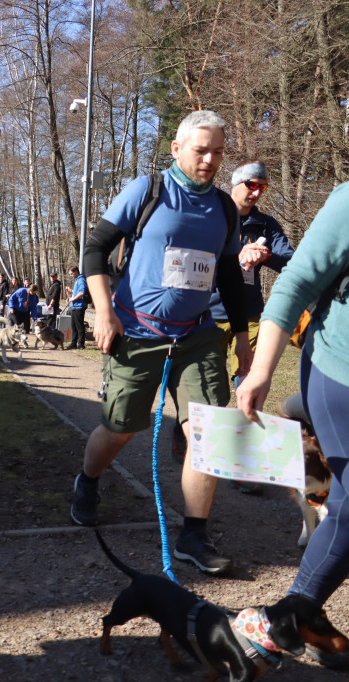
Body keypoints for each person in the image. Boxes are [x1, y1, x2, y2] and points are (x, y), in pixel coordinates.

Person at [69, 110, 249, 576]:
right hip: (137, 331)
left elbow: (229, 276)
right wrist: (104, 311)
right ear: (177, 149)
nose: (210, 160)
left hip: (197, 336)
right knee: (122, 427)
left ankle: (193, 535)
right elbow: (95, 248)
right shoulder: (147, 190)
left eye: (218, 152)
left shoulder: (225, 208)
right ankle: (87, 481)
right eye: (200, 150)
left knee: (205, 433)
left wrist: (244, 341)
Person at [236, 182, 349, 658]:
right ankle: (278, 623)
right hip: (339, 371)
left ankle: (309, 618)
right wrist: (259, 370)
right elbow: (294, 282)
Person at [208, 162, 293, 381]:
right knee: (209, 381)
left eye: (262, 188)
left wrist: (265, 256)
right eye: (251, 185)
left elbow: (291, 262)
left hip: (250, 314)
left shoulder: (266, 224)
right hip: (211, 313)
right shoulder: (212, 216)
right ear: (235, 183)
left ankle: (246, 415)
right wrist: (233, 256)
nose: (256, 192)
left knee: (250, 377)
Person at [64, 266, 89, 350]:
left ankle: (81, 344)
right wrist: (71, 291)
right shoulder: (77, 280)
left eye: (71, 273)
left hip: (79, 306)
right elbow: (77, 291)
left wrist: (73, 298)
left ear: (76, 271)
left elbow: (82, 291)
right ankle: (73, 342)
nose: (71, 275)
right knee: (73, 325)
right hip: (74, 306)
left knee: (79, 325)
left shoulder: (81, 279)